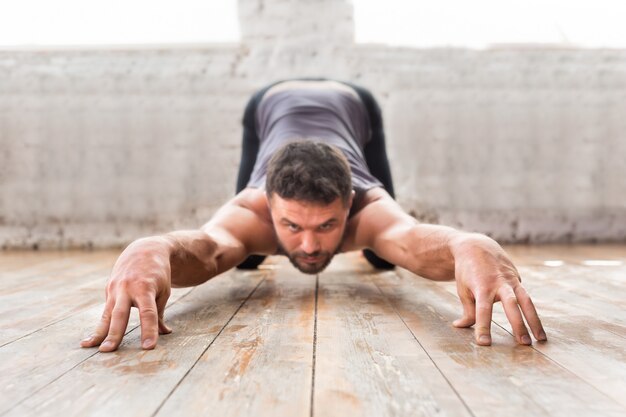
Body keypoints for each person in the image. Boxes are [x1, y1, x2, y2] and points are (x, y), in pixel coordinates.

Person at [80, 79, 547, 353]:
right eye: (291, 226)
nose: (308, 246)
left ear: (350, 204)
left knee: (387, 259)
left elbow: (412, 240)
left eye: (327, 226)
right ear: (269, 206)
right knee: (241, 258)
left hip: (354, 101)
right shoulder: (251, 211)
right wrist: (149, 248)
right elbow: (207, 249)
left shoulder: (370, 209)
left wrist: (471, 244)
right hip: (268, 102)